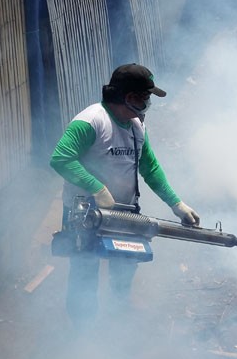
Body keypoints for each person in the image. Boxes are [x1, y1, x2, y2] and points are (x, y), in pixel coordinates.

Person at [49, 63, 201, 326]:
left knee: (125, 264)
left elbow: (149, 167)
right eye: (146, 96)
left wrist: (176, 204)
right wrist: (97, 188)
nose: (149, 102)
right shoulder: (91, 122)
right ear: (130, 98)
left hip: (124, 212)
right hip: (84, 214)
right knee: (85, 269)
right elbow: (61, 159)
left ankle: (117, 320)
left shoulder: (136, 126)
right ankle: (81, 330)